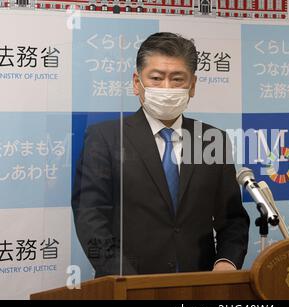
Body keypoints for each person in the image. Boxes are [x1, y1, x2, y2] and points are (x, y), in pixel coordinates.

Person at [72, 32, 250, 277]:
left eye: (177, 79)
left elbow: (233, 219)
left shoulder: (212, 139)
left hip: (198, 287)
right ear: (137, 82)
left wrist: (226, 262)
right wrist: (124, 277)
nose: (166, 87)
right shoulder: (104, 138)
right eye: (156, 78)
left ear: (193, 85)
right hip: (127, 285)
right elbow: (90, 216)